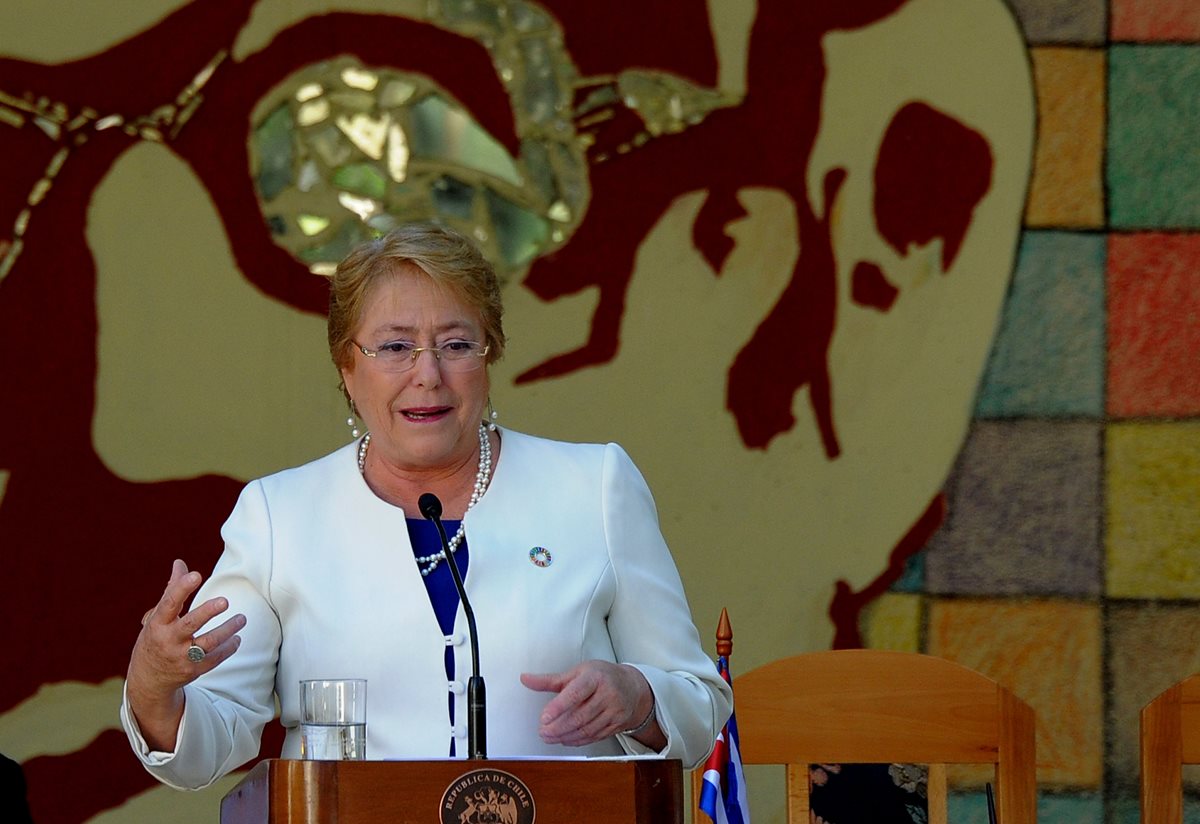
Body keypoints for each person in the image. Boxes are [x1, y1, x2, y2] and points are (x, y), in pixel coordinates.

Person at [120, 223, 732, 790]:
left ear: (488, 356)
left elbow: (703, 706)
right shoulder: (279, 515)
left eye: (456, 344)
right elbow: (211, 743)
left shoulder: (594, 485)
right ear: (347, 367)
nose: (428, 374)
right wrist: (153, 685)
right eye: (394, 347)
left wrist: (639, 695)